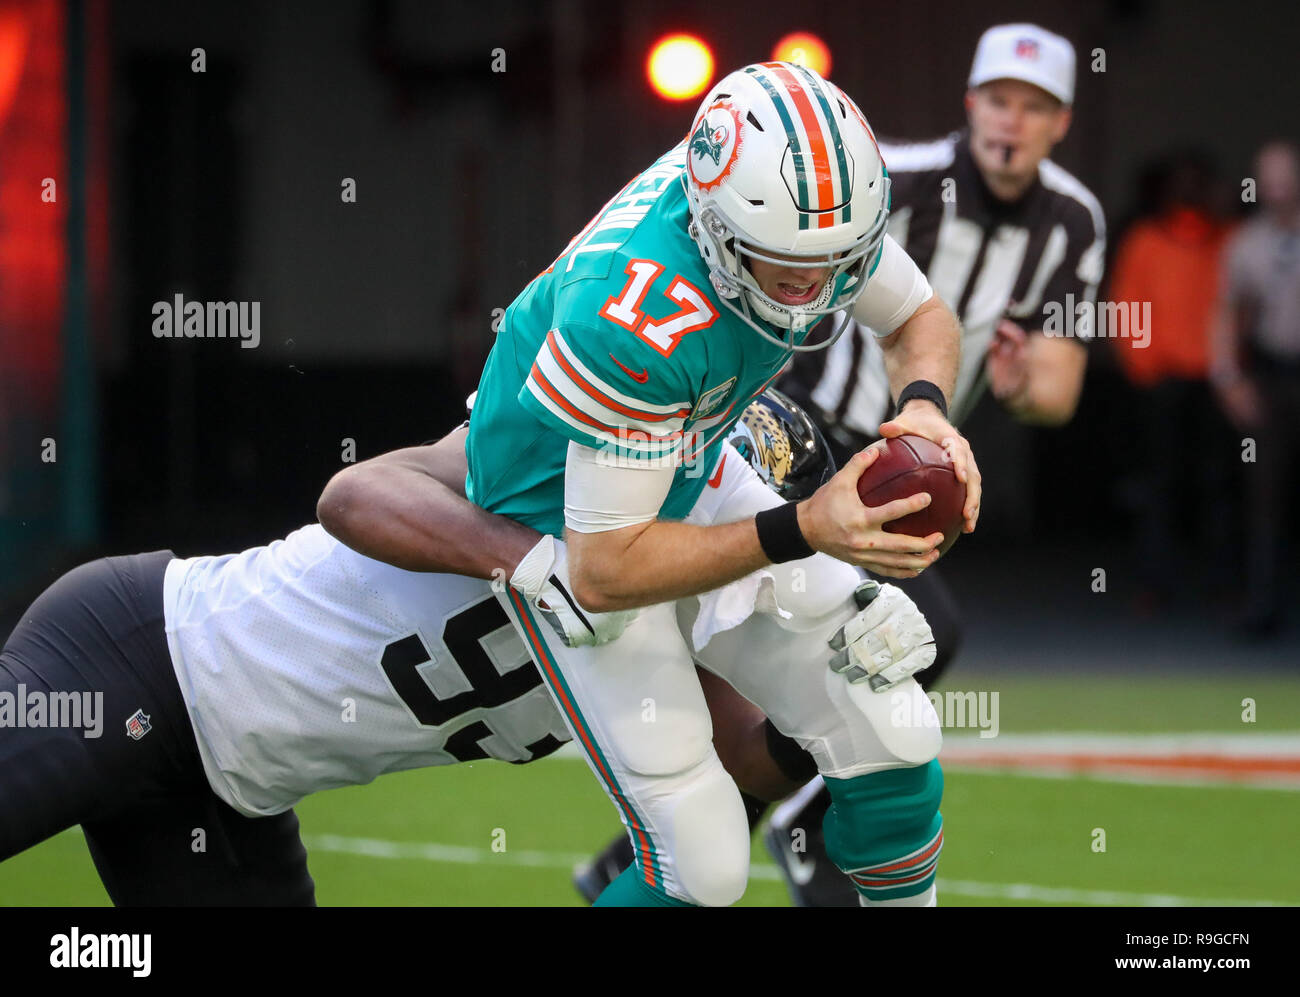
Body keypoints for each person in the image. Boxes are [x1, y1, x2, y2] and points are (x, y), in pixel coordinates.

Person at [0, 397, 935, 905]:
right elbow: (354, 494)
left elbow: (751, 763)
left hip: (233, 794)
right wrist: (533, 564)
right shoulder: (556, 463)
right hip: (136, 657)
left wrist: (840, 686)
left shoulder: (679, 619)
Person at [436, 60, 982, 908]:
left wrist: (925, 414)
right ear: (718, 232)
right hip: (563, 516)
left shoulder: (796, 217)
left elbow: (918, 315)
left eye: (833, 261)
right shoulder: (637, 312)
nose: (811, 290)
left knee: (889, 724)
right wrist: (803, 525)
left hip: (688, 454)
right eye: (785, 267)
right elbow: (605, 569)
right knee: (702, 862)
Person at [707, 24, 1103, 906]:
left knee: (875, 641)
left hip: (907, 463)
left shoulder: (1074, 221)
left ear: (1060, 122)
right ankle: (804, 827)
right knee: (901, 630)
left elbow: (1059, 394)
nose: (1012, 120)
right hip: (798, 430)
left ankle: (668, 848)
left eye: (1034, 106)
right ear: (971, 103)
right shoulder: (896, 174)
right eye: (1000, 98)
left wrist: (1020, 384)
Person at [1211, 140, 1300, 636]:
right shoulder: (1246, 244)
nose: (1275, 185)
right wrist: (1228, 377)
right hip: (1274, 375)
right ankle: (1263, 608)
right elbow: (1226, 313)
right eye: (1266, 176)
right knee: (1264, 497)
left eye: (1284, 174)